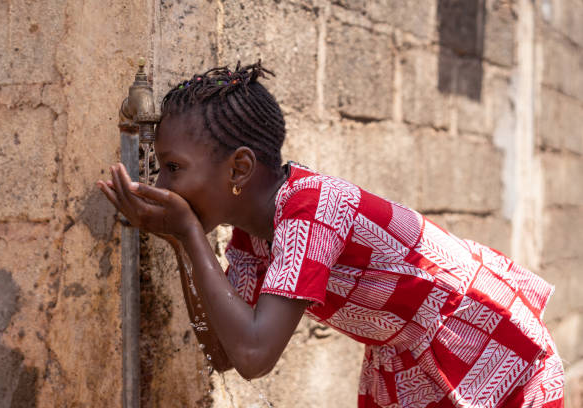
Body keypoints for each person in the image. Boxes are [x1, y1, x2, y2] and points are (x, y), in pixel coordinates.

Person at [97, 60, 565, 407]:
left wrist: (190, 235)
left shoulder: (314, 208)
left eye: (174, 169)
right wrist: (182, 242)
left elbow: (256, 354)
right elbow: (223, 353)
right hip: (407, 359)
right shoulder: (251, 238)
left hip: (481, 346)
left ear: (239, 167)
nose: (162, 188)